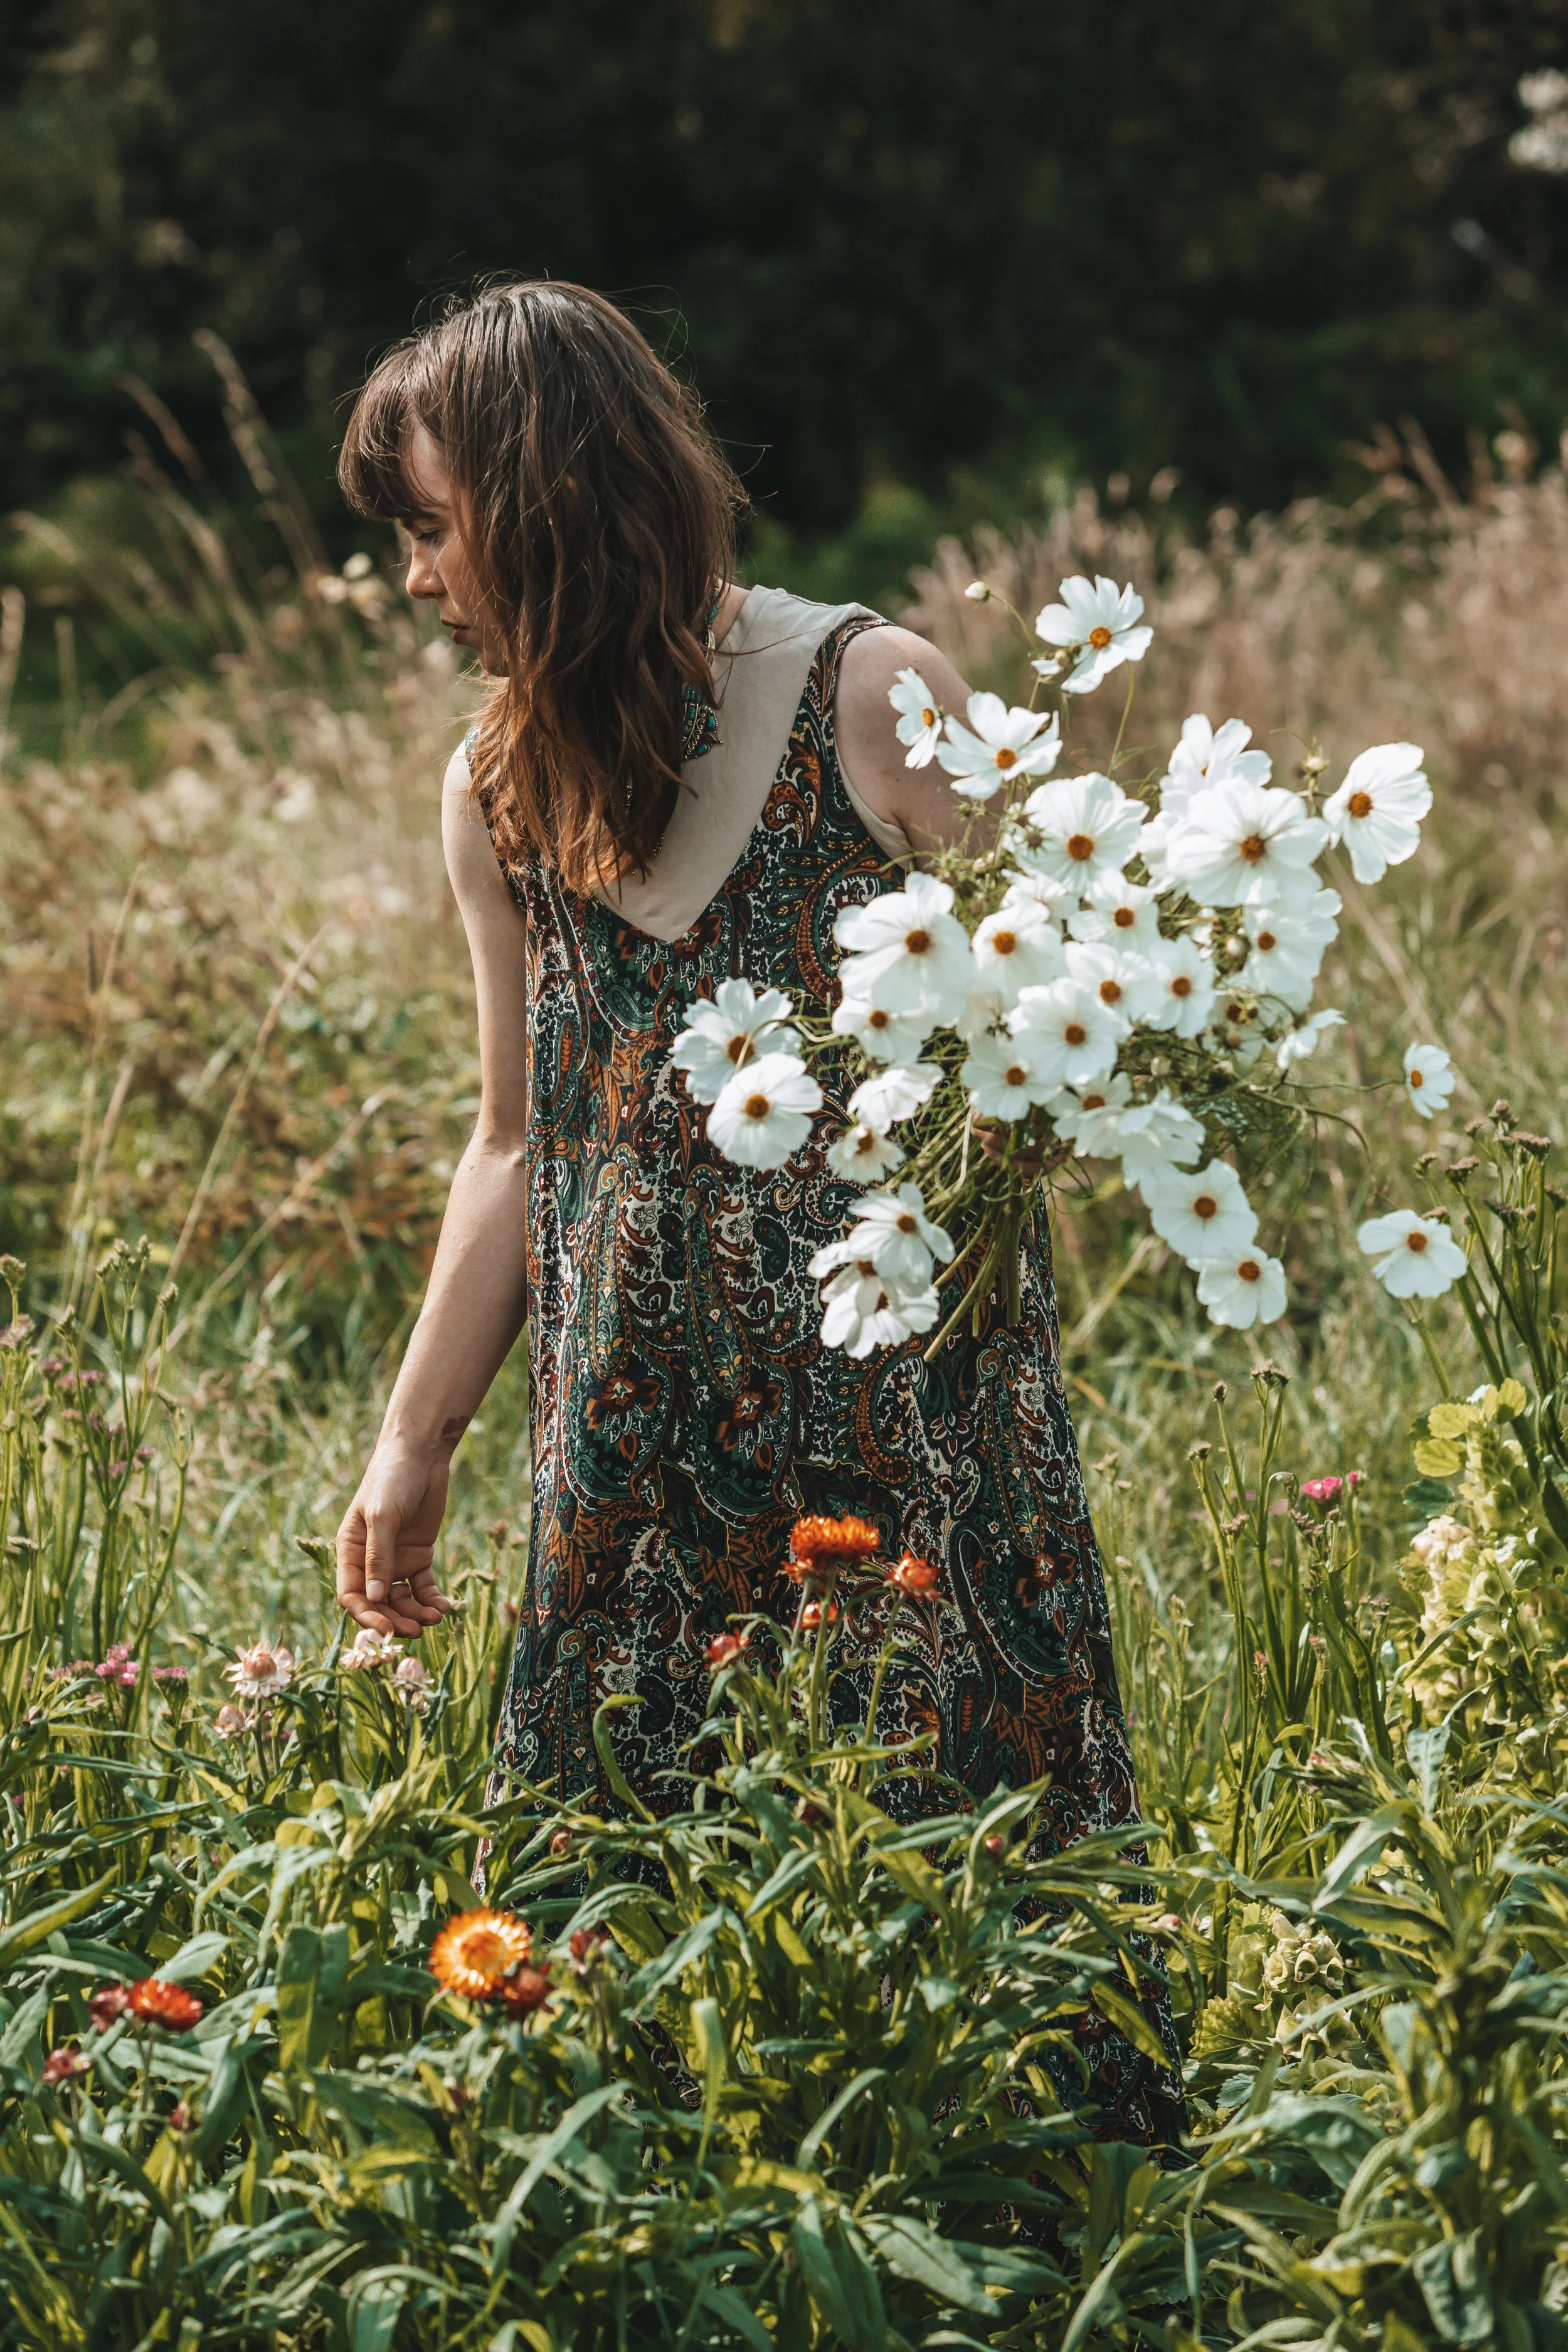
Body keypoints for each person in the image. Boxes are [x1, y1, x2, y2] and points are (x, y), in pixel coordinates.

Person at [334, 279, 1182, 2146]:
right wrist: (416, 1437)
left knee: (991, 1918)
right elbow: (512, 1145)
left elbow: (1077, 998)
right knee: (634, 1967)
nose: (413, 579)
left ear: (544, 497)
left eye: (429, 523)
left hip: (919, 1457)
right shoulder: (495, 785)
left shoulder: (869, 700)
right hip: (627, 1471)